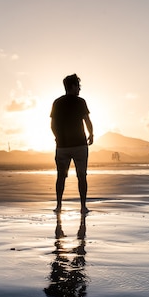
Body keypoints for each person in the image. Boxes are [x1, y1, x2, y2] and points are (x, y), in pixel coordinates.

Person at [50, 74, 94, 214]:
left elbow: (52, 125)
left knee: (61, 176)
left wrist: (58, 138)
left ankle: (58, 206)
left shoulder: (57, 102)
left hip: (62, 146)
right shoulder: (80, 102)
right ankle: (83, 207)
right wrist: (91, 134)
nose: (79, 89)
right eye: (78, 86)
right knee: (82, 176)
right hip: (80, 145)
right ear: (73, 86)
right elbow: (87, 121)